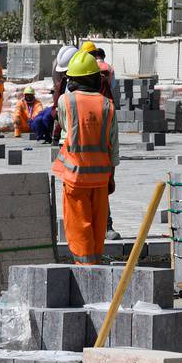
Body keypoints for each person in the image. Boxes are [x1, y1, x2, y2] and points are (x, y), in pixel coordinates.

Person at [53, 48, 118, 264]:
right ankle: (95, 268)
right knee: (98, 229)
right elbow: (113, 148)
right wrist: (111, 177)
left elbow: (65, 130)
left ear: (73, 80)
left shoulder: (66, 101)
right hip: (101, 180)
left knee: (79, 230)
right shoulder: (108, 105)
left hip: (76, 179)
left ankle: (85, 270)